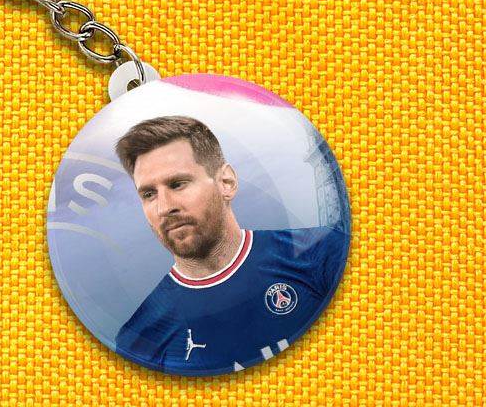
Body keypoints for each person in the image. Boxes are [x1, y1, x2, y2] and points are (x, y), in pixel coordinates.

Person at [112, 115, 348, 375]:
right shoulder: (139, 340)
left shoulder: (323, 254)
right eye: (149, 194)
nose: (164, 207)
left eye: (178, 184)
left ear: (226, 182)